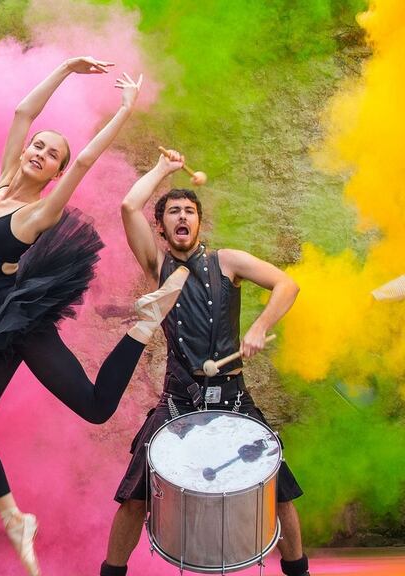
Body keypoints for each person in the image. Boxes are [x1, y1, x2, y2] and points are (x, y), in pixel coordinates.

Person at [0, 58, 186, 576]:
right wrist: (67, 68)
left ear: (54, 173)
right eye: (38, 146)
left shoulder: (38, 213)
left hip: (18, 326)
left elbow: (85, 160)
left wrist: (123, 110)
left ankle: (143, 326)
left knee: (96, 408)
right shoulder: (4, 179)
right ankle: (15, 519)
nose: (40, 153)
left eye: (51, 155)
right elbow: (23, 110)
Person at [100, 148, 307, 576]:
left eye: (188, 210)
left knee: (278, 491)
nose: (182, 217)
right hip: (177, 400)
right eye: (173, 211)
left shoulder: (226, 261)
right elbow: (127, 206)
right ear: (161, 226)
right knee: (135, 496)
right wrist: (162, 168)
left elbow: (287, 284)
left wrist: (258, 326)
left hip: (233, 400)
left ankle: (299, 572)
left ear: (198, 221)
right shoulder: (156, 265)